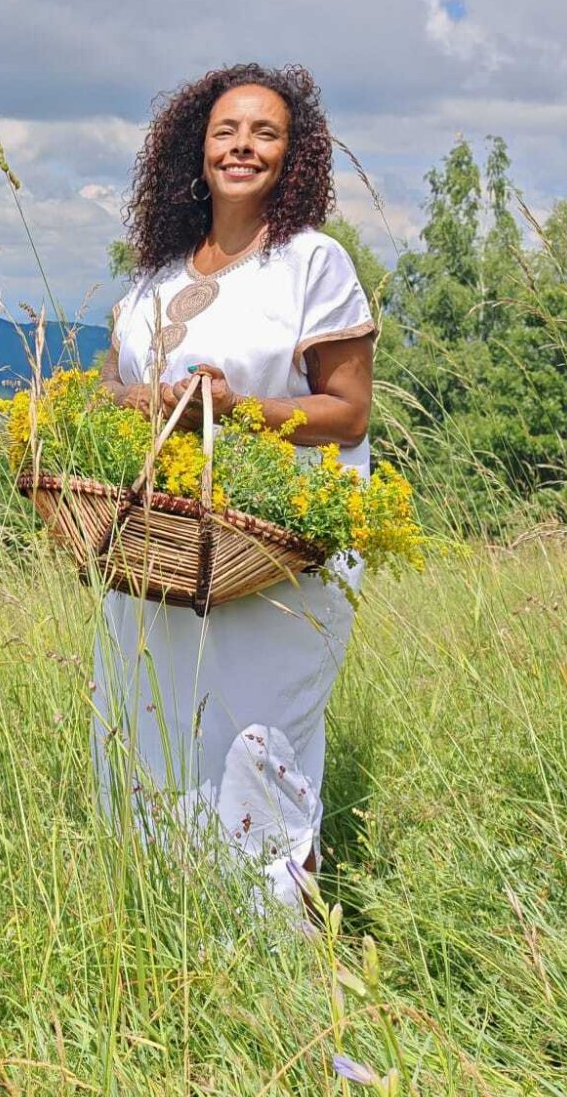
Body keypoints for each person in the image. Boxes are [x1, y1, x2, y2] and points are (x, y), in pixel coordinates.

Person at [93, 62, 376, 919]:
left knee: (261, 741)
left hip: (276, 554)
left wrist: (240, 411)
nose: (243, 146)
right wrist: (135, 401)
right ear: (196, 147)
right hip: (167, 548)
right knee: (155, 731)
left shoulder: (312, 264)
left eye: (265, 133)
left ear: (294, 156)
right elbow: (109, 384)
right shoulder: (156, 278)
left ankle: (278, 946)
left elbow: (350, 412)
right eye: (226, 130)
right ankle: (169, 929)